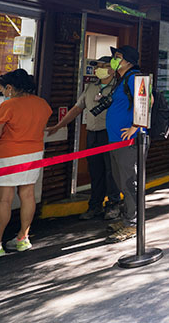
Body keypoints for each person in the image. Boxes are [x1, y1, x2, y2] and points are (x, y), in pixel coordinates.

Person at [0, 69, 52, 258]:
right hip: (34, 153)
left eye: (4, 89)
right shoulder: (42, 104)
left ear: (10, 87)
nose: (4, 93)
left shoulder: (9, 106)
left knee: (4, 199)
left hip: (9, 155)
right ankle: (23, 238)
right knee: (27, 195)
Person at [46, 57, 121, 221]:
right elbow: (76, 108)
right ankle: (95, 205)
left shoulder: (118, 88)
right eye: (98, 66)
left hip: (110, 134)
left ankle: (113, 205)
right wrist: (59, 125)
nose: (99, 69)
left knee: (111, 172)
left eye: (104, 66)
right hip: (92, 134)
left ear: (113, 69)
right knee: (95, 172)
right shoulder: (91, 87)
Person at [104, 45, 147, 244]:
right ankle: (127, 218)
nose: (114, 59)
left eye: (118, 57)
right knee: (122, 181)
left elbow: (148, 100)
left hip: (129, 142)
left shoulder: (135, 78)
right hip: (116, 141)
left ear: (128, 60)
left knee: (130, 183)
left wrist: (135, 127)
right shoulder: (121, 80)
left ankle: (132, 224)